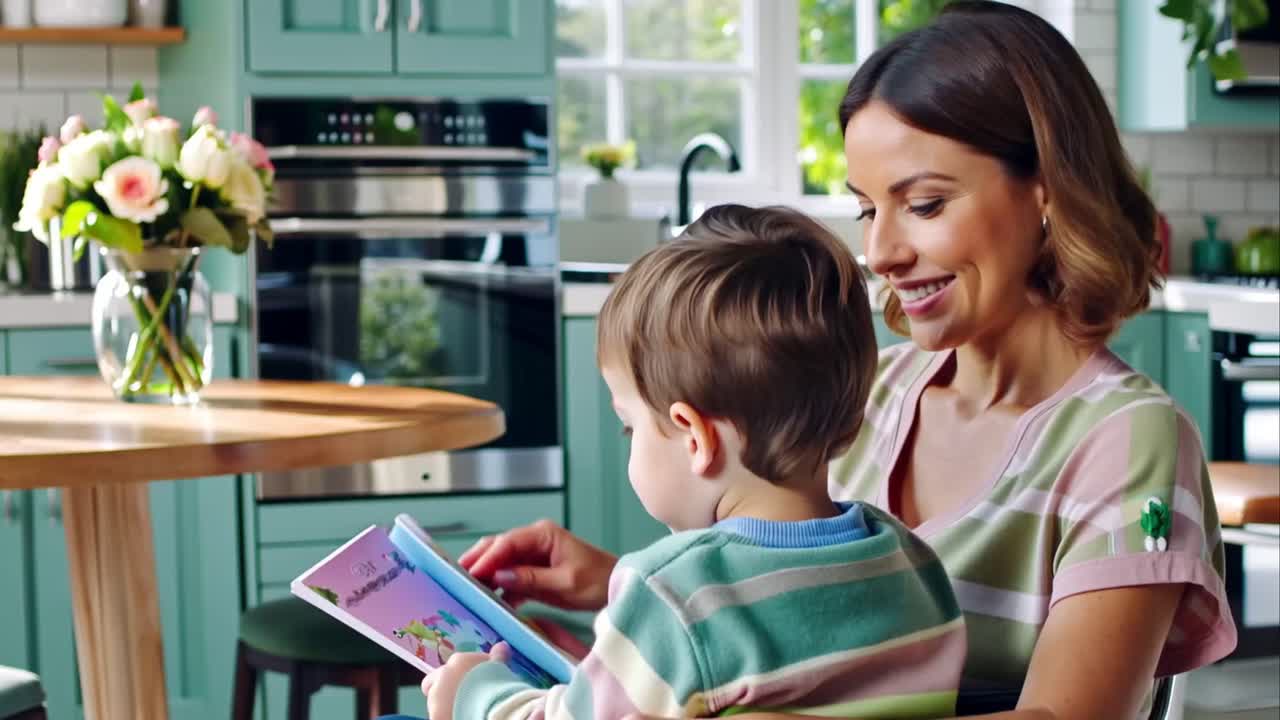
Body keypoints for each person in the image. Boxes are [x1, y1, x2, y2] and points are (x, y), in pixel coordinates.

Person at [458, 3, 1237, 719]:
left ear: (1046, 189)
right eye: (867, 209)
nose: (882, 252)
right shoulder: (879, 388)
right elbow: (815, 620)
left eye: (924, 204)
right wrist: (627, 600)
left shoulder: (1128, 440)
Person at [421, 204, 968, 719]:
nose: (629, 441)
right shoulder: (912, 565)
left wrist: (476, 695)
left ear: (693, 436)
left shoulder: (671, 594)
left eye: (629, 426)